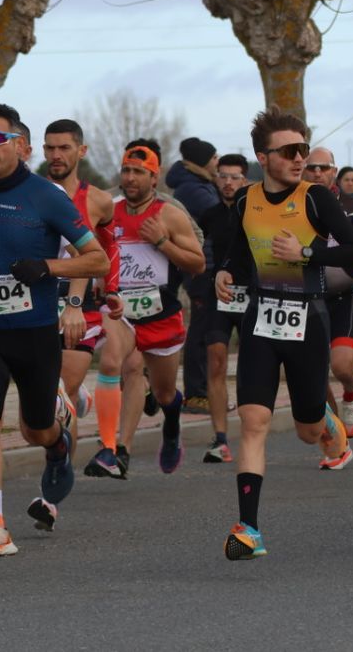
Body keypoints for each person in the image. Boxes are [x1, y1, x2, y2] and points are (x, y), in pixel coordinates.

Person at [0, 104, 111, 579]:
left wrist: (48, 268)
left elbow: (97, 260)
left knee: (36, 429)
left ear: (19, 145)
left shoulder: (47, 197)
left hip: (35, 335)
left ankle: (57, 447)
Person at [215, 108, 353, 560]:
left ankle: (327, 422)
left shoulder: (315, 198)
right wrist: (224, 272)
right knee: (253, 422)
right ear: (263, 158)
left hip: (308, 319)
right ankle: (249, 528)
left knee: (307, 429)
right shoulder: (246, 200)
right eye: (289, 151)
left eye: (303, 148)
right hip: (260, 318)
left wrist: (307, 252)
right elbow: (237, 253)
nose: (300, 158)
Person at [41, 119, 131, 484]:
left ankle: (57, 478)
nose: (56, 155)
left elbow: (109, 246)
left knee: (64, 386)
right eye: (50, 148)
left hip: (80, 303)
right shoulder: (33, 195)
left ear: (81, 151)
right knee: (48, 395)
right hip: (39, 297)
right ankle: (77, 402)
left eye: (64, 148)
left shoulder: (99, 200)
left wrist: (112, 290)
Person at [112, 143, 206, 475]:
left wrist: (162, 242)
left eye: (139, 172)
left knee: (165, 393)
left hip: (161, 312)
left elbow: (198, 263)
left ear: (155, 177)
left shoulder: (170, 213)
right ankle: (120, 451)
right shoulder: (110, 211)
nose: (130, 178)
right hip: (122, 314)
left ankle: (172, 421)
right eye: (126, 170)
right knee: (131, 369)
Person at [305, 145, 353, 448]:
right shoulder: (295, 204)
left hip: (343, 295)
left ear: (334, 172)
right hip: (308, 298)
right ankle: (336, 433)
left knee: (341, 366)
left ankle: (352, 393)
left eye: (324, 168)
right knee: (314, 375)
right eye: (311, 167)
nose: (317, 173)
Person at [202, 153, 251, 462]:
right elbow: (196, 251)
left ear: (245, 180)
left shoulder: (255, 212)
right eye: (223, 176)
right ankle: (220, 438)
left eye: (234, 177)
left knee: (251, 366)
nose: (228, 182)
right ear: (216, 179)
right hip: (219, 296)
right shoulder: (209, 215)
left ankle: (250, 432)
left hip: (253, 295)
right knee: (217, 362)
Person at [170, 137, 222, 412]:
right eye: (214, 158)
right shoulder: (192, 189)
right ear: (203, 161)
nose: (217, 162)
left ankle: (203, 391)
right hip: (202, 267)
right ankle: (195, 393)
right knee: (200, 330)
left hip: (209, 264)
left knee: (206, 329)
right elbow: (221, 216)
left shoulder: (201, 184)